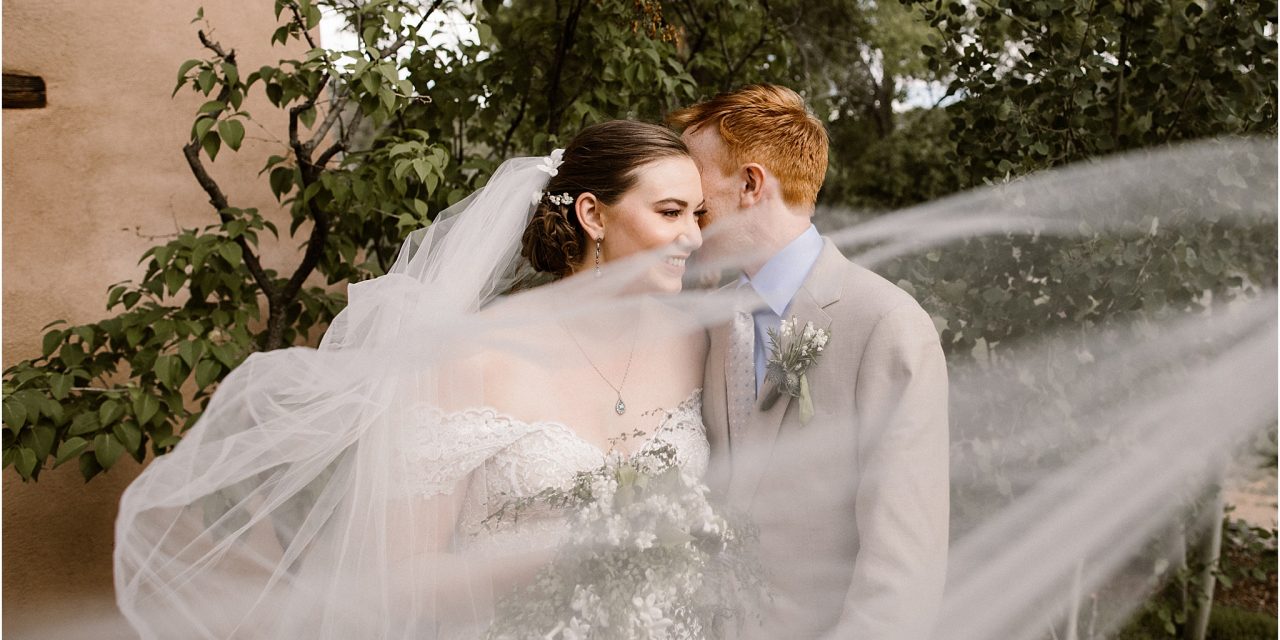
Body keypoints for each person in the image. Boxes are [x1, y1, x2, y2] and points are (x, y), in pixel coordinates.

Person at [113, 120, 714, 639]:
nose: (694, 236)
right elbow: (399, 578)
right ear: (592, 214)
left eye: (698, 213)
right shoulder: (472, 358)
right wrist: (569, 551)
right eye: (670, 212)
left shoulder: (695, 343)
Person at [668, 84, 951, 639]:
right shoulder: (714, 322)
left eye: (696, 196)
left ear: (751, 183)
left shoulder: (885, 325)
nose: (688, 215)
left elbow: (903, 574)